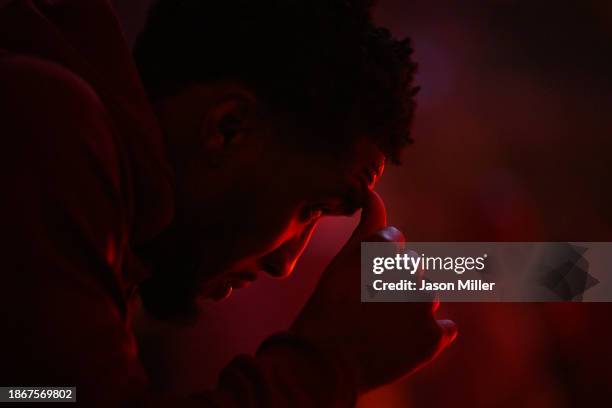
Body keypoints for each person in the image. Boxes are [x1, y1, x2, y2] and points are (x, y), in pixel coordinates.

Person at [0, 0, 457, 405]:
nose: (286, 264)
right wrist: (333, 363)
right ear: (229, 128)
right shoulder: (46, 127)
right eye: (311, 208)